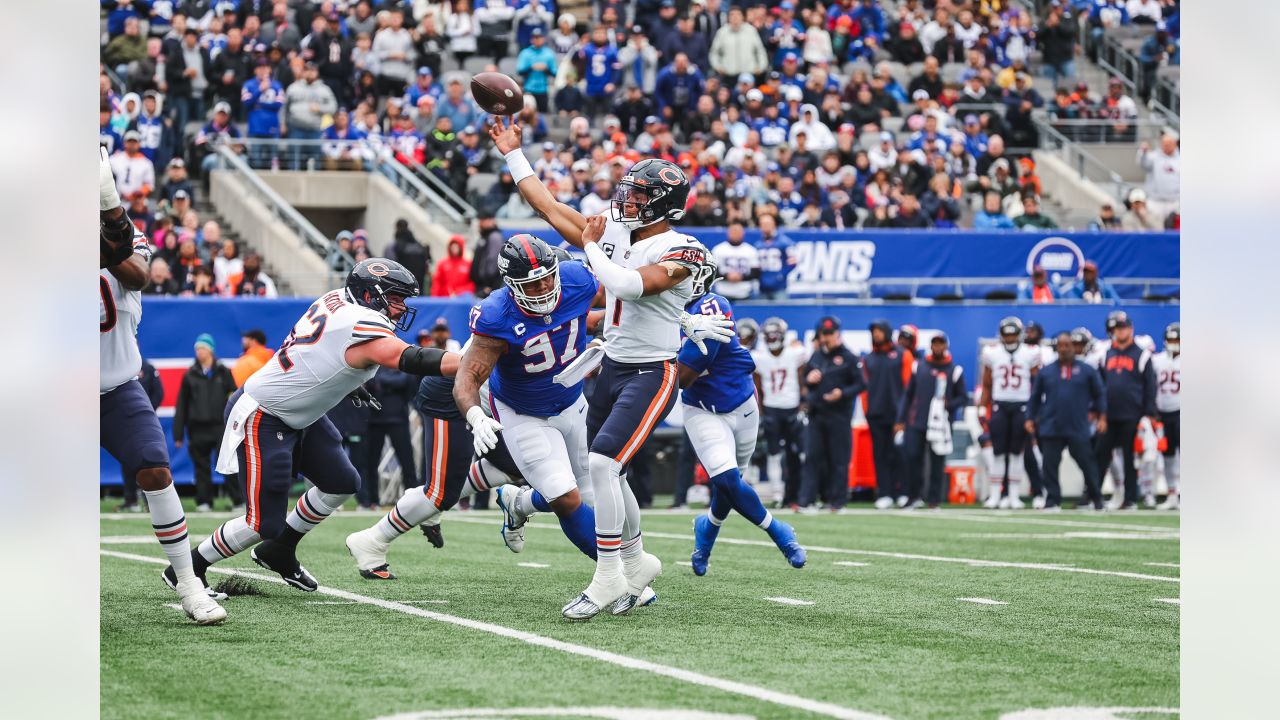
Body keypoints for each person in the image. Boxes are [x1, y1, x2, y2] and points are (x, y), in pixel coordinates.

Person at [489, 115, 734, 619]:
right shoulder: (619, 228)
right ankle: (637, 559)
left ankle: (608, 577)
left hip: (652, 370)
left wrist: (592, 247)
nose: (627, 201)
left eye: (639, 195)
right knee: (610, 475)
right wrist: (513, 153)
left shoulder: (683, 248)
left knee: (602, 465)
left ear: (663, 204)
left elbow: (628, 285)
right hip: (612, 365)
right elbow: (551, 208)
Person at [176, 259, 461, 594]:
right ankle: (189, 568)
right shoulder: (361, 323)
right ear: (370, 295)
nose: (401, 307)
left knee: (341, 482)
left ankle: (279, 550)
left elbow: (319, 351)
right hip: (264, 414)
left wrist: (348, 383)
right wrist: (477, 360)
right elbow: (412, 359)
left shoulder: (337, 299)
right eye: (396, 298)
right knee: (262, 522)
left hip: (300, 413)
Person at [99, 148, 226, 624]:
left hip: (114, 388)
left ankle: (189, 584)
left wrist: (106, 228)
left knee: (155, 470)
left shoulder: (127, 239)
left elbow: (138, 274)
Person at [681, 271, 806, 575]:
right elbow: (682, 379)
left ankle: (707, 530)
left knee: (732, 482)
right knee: (725, 480)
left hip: (742, 403)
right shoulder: (657, 313)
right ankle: (778, 531)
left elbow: (694, 362)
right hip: (702, 409)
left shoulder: (713, 305)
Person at [344, 375, 523, 578]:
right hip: (453, 394)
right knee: (439, 494)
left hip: (490, 403)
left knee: (517, 465)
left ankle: (516, 505)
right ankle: (372, 541)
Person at [1026, 332, 1107, 511]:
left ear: (1074, 347)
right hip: (1051, 425)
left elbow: (1099, 393)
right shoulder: (1046, 371)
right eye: (1060, 346)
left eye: (1067, 345)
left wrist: (1102, 416)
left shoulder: (1087, 370)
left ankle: (1096, 498)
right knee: (1050, 465)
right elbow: (1035, 397)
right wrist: (1030, 417)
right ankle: (1053, 500)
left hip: (1077, 425)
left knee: (1087, 463)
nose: (1064, 349)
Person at [798, 316, 864, 512]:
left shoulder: (849, 357)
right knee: (812, 457)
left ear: (837, 334)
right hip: (817, 414)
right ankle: (807, 500)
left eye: (830, 334)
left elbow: (861, 384)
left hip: (839, 416)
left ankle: (838, 501)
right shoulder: (816, 356)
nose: (826, 338)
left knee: (839, 460)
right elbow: (805, 381)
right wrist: (809, 379)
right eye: (823, 334)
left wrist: (842, 394)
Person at [1093, 311, 1157, 510]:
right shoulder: (1106, 354)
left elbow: (1150, 386)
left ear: (1131, 329)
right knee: (1100, 455)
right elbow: (1100, 385)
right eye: (1116, 329)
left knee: (1131, 459)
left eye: (1123, 328)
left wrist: (1149, 414)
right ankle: (1095, 497)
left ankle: (1130, 499)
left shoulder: (1142, 355)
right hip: (1109, 415)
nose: (1119, 332)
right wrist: (1099, 412)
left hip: (1133, 415)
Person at [896, 334, 968, 509]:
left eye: (941, 344)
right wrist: (901, 419)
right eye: (935, 344)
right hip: (917, 420)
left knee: (937, 462)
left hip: (941, 424)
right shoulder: (919, 366)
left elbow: (963, 397)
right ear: (931, 346)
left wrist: (949, 404)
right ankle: (914, 496)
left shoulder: (954, 370)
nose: (937, 347)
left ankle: (934, 499)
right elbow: (908, 394)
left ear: (946, 346)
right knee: (913, 458)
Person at [173, 333, 241, 512]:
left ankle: (237, 501)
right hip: (197, 428)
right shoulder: (190, 374)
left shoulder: (223, 371)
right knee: (201, 466)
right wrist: (178, 433)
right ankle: (204, 501)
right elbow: (182, 405)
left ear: (210, 350)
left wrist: (235, 425)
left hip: (220, 427)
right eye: (197, 349)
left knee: (228, 464)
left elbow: (235, 398)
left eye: (202, 348)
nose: (199, 352)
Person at [980, 317, 1042, 509]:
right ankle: (996, 495)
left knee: (1017, 452)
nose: (1010, 337)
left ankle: (1014, 496)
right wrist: (983, 406)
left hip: (1021, 405)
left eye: (1013, 333)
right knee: (998, 452)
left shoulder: (1030, 353)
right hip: (1000, 404)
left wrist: (1035, 409)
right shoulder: (992, 353)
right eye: (1006, 334)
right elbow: (987, 383)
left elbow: (1036, 384)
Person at [752, 318, 807, 508]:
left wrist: (802, 404)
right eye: (769, 335)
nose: (772, 338)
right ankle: (777, 493)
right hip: (772, 409)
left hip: (792, 408)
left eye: (775, 334)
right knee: (773, 453)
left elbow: (802, 380)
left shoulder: (795, 353)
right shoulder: (760, 357)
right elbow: (757, 386)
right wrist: (760, 412)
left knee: (796, 453)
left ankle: (795, 493)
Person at [862, 319, 909, 509]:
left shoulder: (902, 355)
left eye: (880, 330)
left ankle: (903, 492)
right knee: (880, 455)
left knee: (900, 454)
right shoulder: (869, 359)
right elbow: (865, 389)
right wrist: (867, 411)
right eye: (874, 331)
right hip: (876, 414)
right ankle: (885, 493)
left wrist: (904, 416)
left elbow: (908, 387)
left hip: (898, 415)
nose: (876, 334)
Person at [362, 365, 419, 508]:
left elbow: (405, 381)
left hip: (398, 420)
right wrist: (390, 382)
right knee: (371, 462)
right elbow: (369, 381)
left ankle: (412, 499)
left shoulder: (401, 365)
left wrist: (382, 382)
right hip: (374, 421)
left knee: (407, 461)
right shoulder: (374, 366)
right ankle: (372, 500)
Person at [284, 61, 338, 170]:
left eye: (312, 70)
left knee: (315, 158)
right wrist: (283, 123)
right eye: (307, 70)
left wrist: (320, 108)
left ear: (317, 72)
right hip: (296, 127)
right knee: (294, 157)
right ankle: (293, 180)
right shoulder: (293, 87)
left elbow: (333, 107)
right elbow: (284, 107)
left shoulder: (324, 89)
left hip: (315, 129)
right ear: (303, 72)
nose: (309, 73)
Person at [1151, 322, 1181, 510]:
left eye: (1177, 339)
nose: (1174, 343)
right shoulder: (1157, 360)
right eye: (1171, 339)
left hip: (1182, 410)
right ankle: (1172, 493)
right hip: (1163, 413)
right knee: (1167, 455)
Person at [711, 221, 759, 301]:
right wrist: (727, 276)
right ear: (728, 232)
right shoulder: (718, 249)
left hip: (744, 292)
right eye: (733, 231)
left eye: (738, 231)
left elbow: (756, 273)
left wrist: (741, 277)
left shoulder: (751, 250)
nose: (735, 234)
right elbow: (712, 272)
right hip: (723, 292)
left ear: (743, 233)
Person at [1137, 134, 1180, 222]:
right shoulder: (1153, 157)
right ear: (1161, 144)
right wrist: (1143, 152)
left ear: (1175, 144)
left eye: (1170, 144)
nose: (1167, 146)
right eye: (1165, 144)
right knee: (1156, 228)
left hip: (1175, 201)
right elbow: (1143, 164)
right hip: (1156, 202)